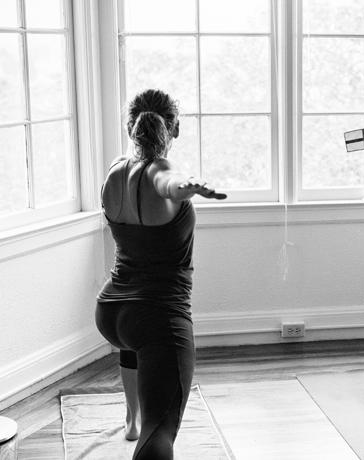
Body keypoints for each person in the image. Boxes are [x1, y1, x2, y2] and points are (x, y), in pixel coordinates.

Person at [95, 89, 226, 458]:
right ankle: (142, 426)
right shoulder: (164, 172)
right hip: (158, 318)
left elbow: (158, 188)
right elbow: (167, 183)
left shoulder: (116, 171)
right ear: (176, 129)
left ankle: (130, 419)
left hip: (112, 311)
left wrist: (182, 188)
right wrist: (188, 189)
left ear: (130, 127)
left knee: (136, 348)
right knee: (161, 432)